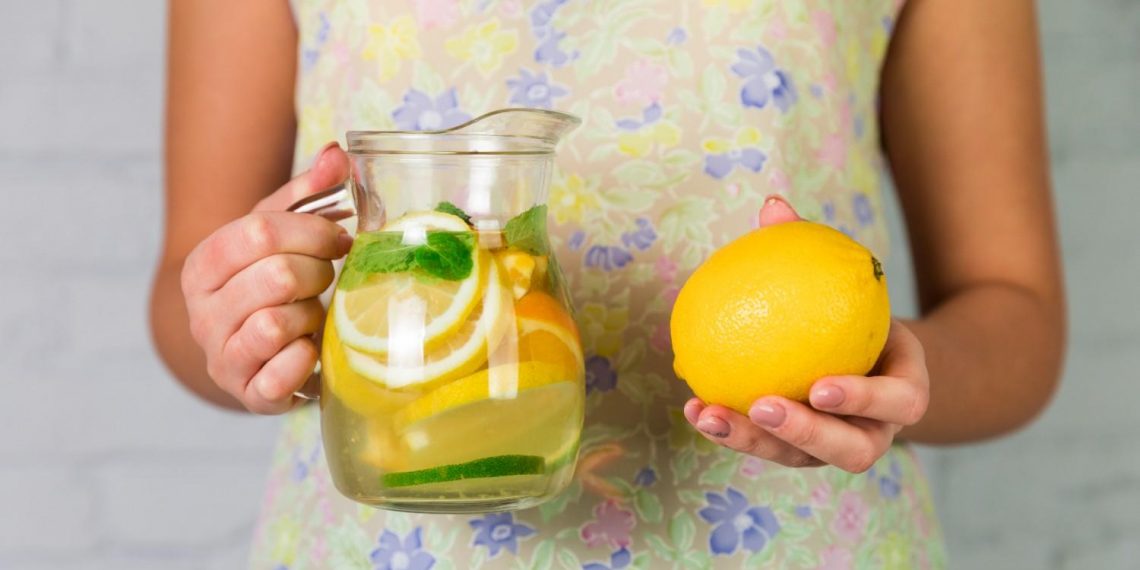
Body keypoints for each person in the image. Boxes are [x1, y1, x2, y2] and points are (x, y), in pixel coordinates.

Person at [150, 0, 1065, 567]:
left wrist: (892, 377)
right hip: (391, 541)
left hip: (799, 541)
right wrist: (244, 324)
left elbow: (1013, 314)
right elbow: (183, 295)